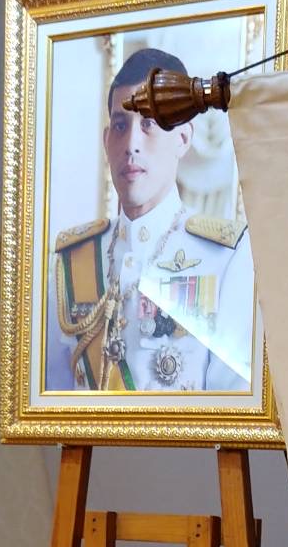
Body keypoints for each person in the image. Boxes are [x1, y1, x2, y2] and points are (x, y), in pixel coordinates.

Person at [46, 47, 255, 393]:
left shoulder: (227, 256)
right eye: (120, 126)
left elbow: (234, 401)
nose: (131, 144)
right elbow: (50, 403)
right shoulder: (71, 260)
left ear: (183, 139)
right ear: (106, 141)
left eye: (149, 124)